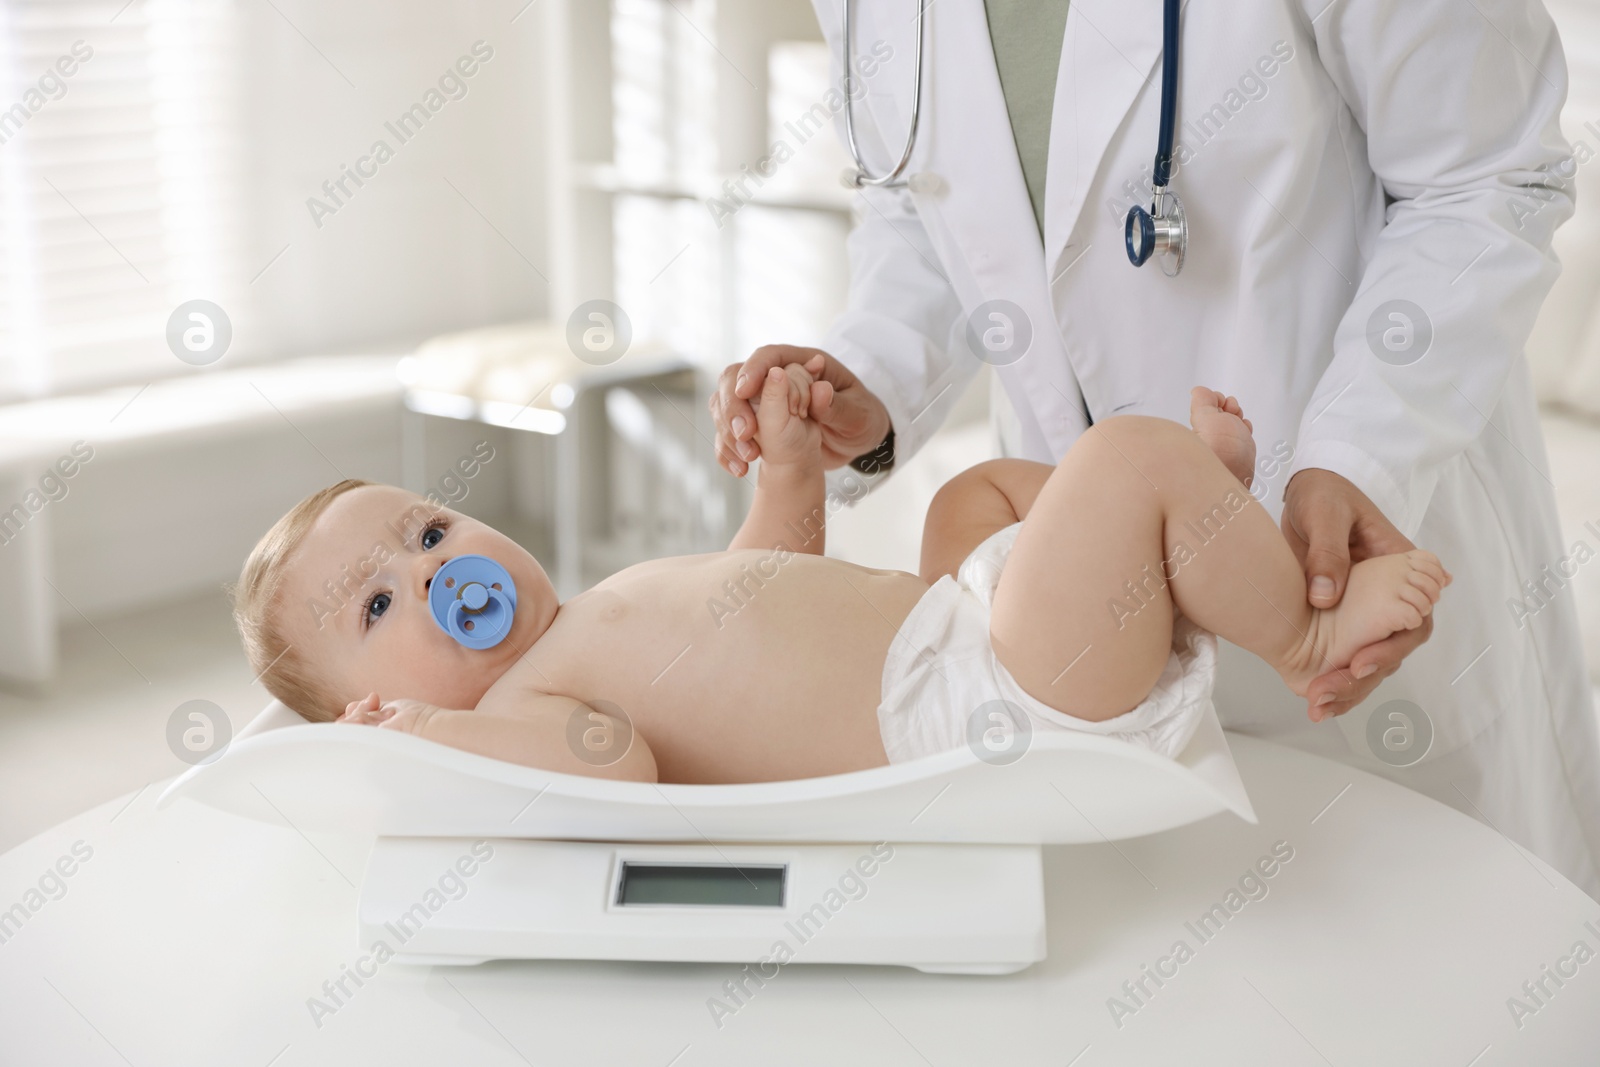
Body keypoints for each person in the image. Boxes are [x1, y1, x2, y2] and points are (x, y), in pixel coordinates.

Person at [710, 0, 1600, 894]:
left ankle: (1302, 629)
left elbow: (1484, 176)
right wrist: (875, 372)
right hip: (1077, 637)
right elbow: (924, 196)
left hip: (1352, 548)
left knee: (1417, 992)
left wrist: (1360, 449)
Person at [232, 367, 1446, 785]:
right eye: (380, 603)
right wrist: (431, 739)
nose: (436, 570)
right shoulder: (515, 713)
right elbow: (620, 764)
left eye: (432, 530)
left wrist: (790, 472)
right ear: (369, 705)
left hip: (955, 627)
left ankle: (1197, 525)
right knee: (1120, 458)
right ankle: (1296, 632)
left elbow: (761, 588)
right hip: (984, 701)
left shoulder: (595, 612)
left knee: (977, 492)